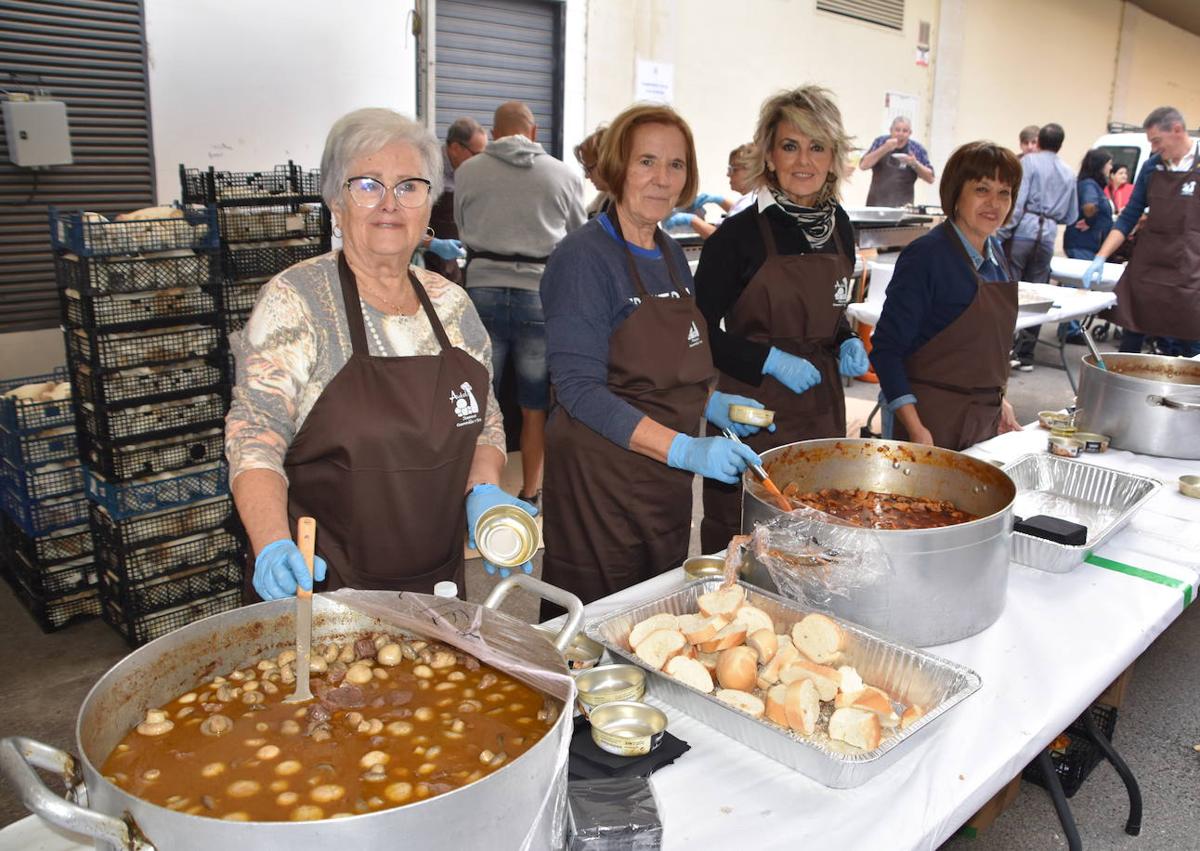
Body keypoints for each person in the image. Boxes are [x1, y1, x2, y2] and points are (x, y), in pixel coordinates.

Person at [226, 108, 536, 601]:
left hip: (436, 585)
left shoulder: (452, 306)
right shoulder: (298, 301)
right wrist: (271, 543)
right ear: (334, 200)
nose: (389, 204)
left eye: (409, 186)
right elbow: (255, 435)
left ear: (429, 202)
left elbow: (486, 422)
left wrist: (483, 491)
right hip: (324, 588)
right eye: (367, 185)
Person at [539, 103, 766, 610]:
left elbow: (670, 367)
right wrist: (685, 449)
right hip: (601, 482)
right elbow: (578, 391)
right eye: (647, 162)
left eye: (676, 165)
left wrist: (710, 405)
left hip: (662, 483)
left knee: (653, 612)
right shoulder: (582, 259)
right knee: (596, 622)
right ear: (619, 166)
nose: (662, 179)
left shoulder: (670, 254)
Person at [694, 86, 866, 552]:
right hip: (752, 409)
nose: (803, 160)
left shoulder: (841, 227)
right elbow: (695, 333)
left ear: (834, 157)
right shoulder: (737, 236)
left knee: (818, 522)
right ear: (769, 155)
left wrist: (845, 336)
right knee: (748, 532)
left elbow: (830, 307)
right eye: (791, 146)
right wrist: (767, 359)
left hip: (821, 405)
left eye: (817, 147)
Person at [454, 101, 586, 505]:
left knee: (474, 403)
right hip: (536, 294)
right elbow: (578, 236)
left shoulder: (468, 171)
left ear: (493, 133)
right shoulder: (563, 174)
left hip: (481, 292)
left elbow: (462, 227)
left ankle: (474, 495)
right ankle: (531, 493)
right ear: (534, 132)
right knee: (533, 406)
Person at [868, 141, 1023, 450]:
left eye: (1004, 192)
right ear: (956, 193)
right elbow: (886, 351)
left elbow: (985, 349)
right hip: (930, 422)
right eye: (982, 189)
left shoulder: (997, 257)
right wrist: (915, 429)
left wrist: (998, 400)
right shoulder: (926, 256)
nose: (994, 203)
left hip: (982, 419)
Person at [1083, 106, 1200, 357]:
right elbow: (1128, 217)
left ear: (1177, 130)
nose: (1155, 148)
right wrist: (1100, 257)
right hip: (1150, 265)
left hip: (1191, 267)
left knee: (1192, 340)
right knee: (1133, 332)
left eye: (1157, 141)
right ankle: (1124, 388)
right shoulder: (1151, 168)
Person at [998, 122, 1078, 371]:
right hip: (1047, 237)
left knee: (1010, 291)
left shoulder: (1029, 163)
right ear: (1060, 144)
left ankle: (1002, 350)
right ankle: (1026, 354)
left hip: (1023, 232)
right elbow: (1071, 215)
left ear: (1039, 141)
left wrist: (1002, 232)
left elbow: (1017, 202)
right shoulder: (1068, 172)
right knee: (1037, 295)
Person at [422, 117, 486, 284]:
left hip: (454, 263)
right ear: (456, 148)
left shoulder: (472, 172)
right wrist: (432, 243)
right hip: (424, 261)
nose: (481, 161)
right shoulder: (427, 168)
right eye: (477, 154)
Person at [1060, 149, 1114, 343]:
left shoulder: (1091, 184)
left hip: (1086, 242)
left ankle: (1069, 328)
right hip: (1083, 241)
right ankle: (1071, 330)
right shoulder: (1090, 185)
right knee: (1078, 287)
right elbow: (1089, 206)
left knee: (1078, 286)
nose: (1111, 167)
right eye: (1109, 163)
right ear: (1100, 165)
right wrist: (1090, 221)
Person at [663, 144, 757, 239]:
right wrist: (719, 200)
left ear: (752, 171)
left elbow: (722, 239)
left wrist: (692, 220)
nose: (728, 174)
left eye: (733, 170)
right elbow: (741, 215)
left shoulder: (750, 201)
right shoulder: (755, 198)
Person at [858, 116, 934, 207]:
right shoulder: (881, 142)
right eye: (897, 130)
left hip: (904, 206)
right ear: (891, 130)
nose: (900, 134)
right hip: (876, 204)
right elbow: (863, 165)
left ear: (910, 133)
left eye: (905, 131)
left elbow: (930, 178)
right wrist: (884, 148)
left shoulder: (916, 148)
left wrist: (915, 164)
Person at [575, 126, 612, 219]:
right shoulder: (605, 196)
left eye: (589, 168)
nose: (587, 176)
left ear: (606, 162)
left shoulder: (626, 204)